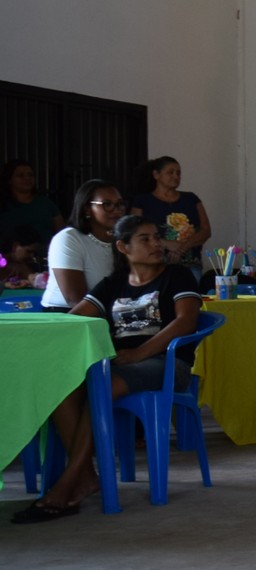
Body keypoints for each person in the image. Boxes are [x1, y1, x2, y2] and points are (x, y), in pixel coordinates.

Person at [14, 215, 202, 523]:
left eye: (157, 237)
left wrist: (139, 353)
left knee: (103, 384)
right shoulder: (113, 284)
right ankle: (86, 477)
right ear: (123, 247)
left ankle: (67, 483)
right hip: (120, 366)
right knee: (61, 387)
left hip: (168, 365)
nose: (156, 244)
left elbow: (185, 321)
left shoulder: (177, 276)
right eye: (145, 239)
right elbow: (76, 318)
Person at [43, 180, 128, 310]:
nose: (116, 210)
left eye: (120, 204)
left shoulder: (123, 239)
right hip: (67, 314)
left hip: (111, 311)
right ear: (87, 209)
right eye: (107, 204)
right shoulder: (68, 238)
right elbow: (75, 300)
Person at [130, 156, 210, 276]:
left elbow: (206, 230)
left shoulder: (191, 199)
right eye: (170, 172)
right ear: (156, 175)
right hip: (156, 266)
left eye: (178, 173)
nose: (176, 176)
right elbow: (134, 233)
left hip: (191, 265)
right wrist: (165, 243)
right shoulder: (142, 201)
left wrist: (182, 248)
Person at [0, 160, 64, 243]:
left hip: (45, 254)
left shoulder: (46, 204)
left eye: (30, 175)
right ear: (9, 180)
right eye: (20, 175)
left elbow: (62, 233)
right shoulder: (3, 205)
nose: (27, 178)